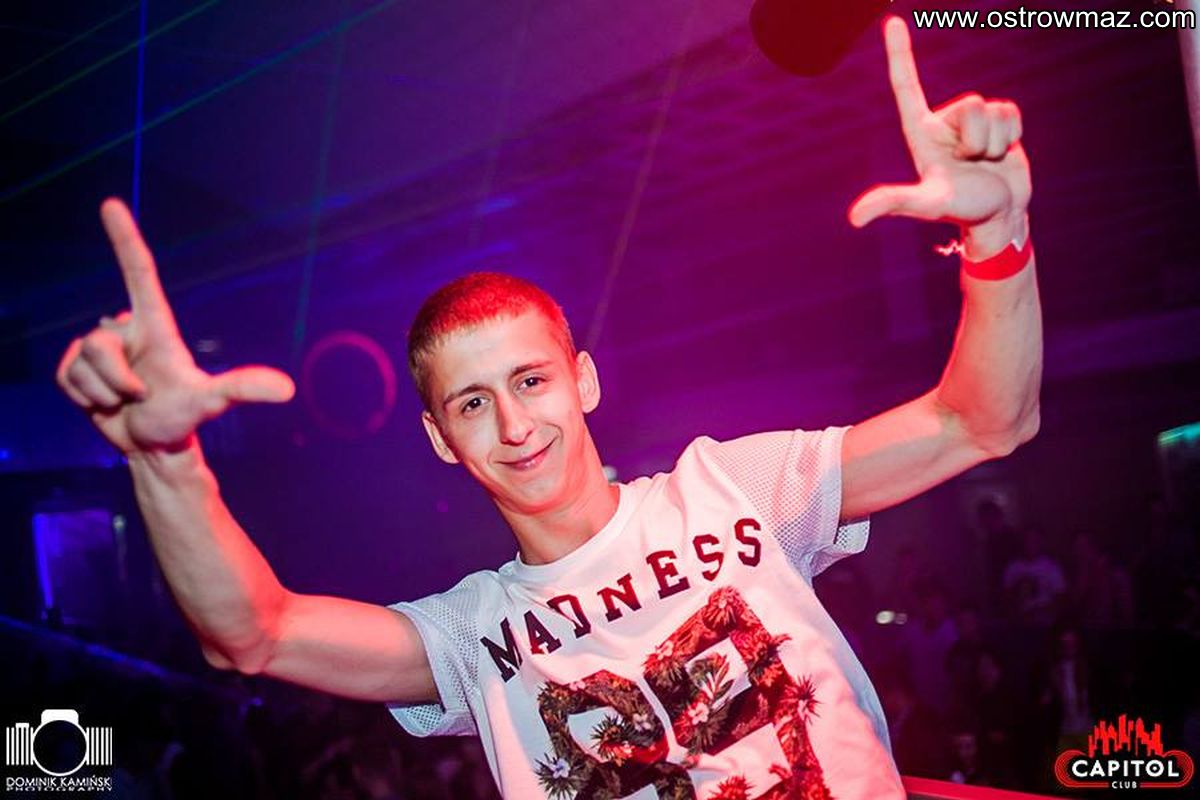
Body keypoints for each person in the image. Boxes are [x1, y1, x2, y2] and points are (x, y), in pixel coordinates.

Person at [55, 17, 1041, 799]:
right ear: (441, 439)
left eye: (531, 381)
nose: (516, 426)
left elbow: (981, 420)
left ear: (585, 381)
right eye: (473, 402)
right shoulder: (470, 633)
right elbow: (254, 630)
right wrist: (165, 458)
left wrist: (997, 233)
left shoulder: (728, 489)